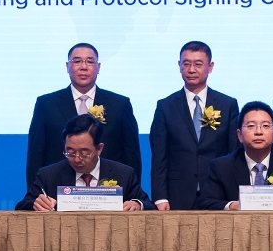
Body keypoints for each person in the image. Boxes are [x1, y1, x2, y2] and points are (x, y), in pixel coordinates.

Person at [26, 43, 141, 188]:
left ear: (98, 67)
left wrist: (132, 193)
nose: (83, 66)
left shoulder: (120, 104)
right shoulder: (46, 104)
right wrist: (36, 194)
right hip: (58, 190)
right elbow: (35, 155)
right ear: (67, 66)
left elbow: (132, 156)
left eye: (90, 61)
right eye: (77, 61)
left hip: (109, 191)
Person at [149, 41, 239, 210]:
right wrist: (160, 197)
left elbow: (234, 152)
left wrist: (233, 194)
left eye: (198, 64)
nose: (191, 69)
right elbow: (159, 156)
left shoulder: (228, 105)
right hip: (177, 194)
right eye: (186, 63)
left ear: (210, 67)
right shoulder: (165, 106)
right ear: (179, 65)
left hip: (218, 192)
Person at [198, 102, 273, 210]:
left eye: (265, 126)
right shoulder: (221, 166)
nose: (258, 132)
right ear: (239, 135)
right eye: (251, 126)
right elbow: (206, 203)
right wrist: (233, 206)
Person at [17, 114, 153, 211]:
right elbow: (22, 206)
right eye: (70, 152)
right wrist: (35, 204)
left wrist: (137, 204)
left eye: (84, 153)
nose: (76, 159)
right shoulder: (48, 175)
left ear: (99, 149)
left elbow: (149, 204)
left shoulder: (123, 174)